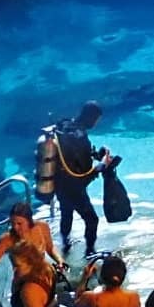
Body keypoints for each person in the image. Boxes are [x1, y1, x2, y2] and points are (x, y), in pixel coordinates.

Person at [49, 102, 108, 253]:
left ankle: (65, 246)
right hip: (73, 188)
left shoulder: (66, 125)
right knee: (92, 220)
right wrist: (102, 164)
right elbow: (83, 175)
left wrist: (95, 154)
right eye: (96, 120)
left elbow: (73, 156)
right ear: (91, 118)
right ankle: (90, 252)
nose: (95, 124)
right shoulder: (79, 136)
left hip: (59, 183)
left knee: (66, 213)